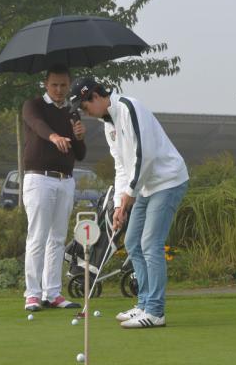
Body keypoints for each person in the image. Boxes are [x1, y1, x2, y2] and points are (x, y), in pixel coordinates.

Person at [69, 77, 189, 328]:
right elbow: (121, 167)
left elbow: (145, 154)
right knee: (133, 241)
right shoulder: (108, 125)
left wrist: (130, 194)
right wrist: (118, 204)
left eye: (85, 106)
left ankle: (155, 311)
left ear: (95, 96)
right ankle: (144, 303)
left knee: (150, 243)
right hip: (146, 186)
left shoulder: (128, 107)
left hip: (167, 180)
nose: (85, 113)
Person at [22, 64, 86, 311]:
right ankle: (32, 294)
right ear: (46, 84)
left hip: (65, 180)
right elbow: (37, 124)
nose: (59, 89)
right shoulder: (33, 105)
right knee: (38, 236)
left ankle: (53, 293)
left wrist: (79, 136)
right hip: (39, 179)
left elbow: (80, 153)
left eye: (63, 85)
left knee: (57, 238)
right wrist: (54, 137)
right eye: (54, 85)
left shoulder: (72, 112)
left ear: (69, 85)